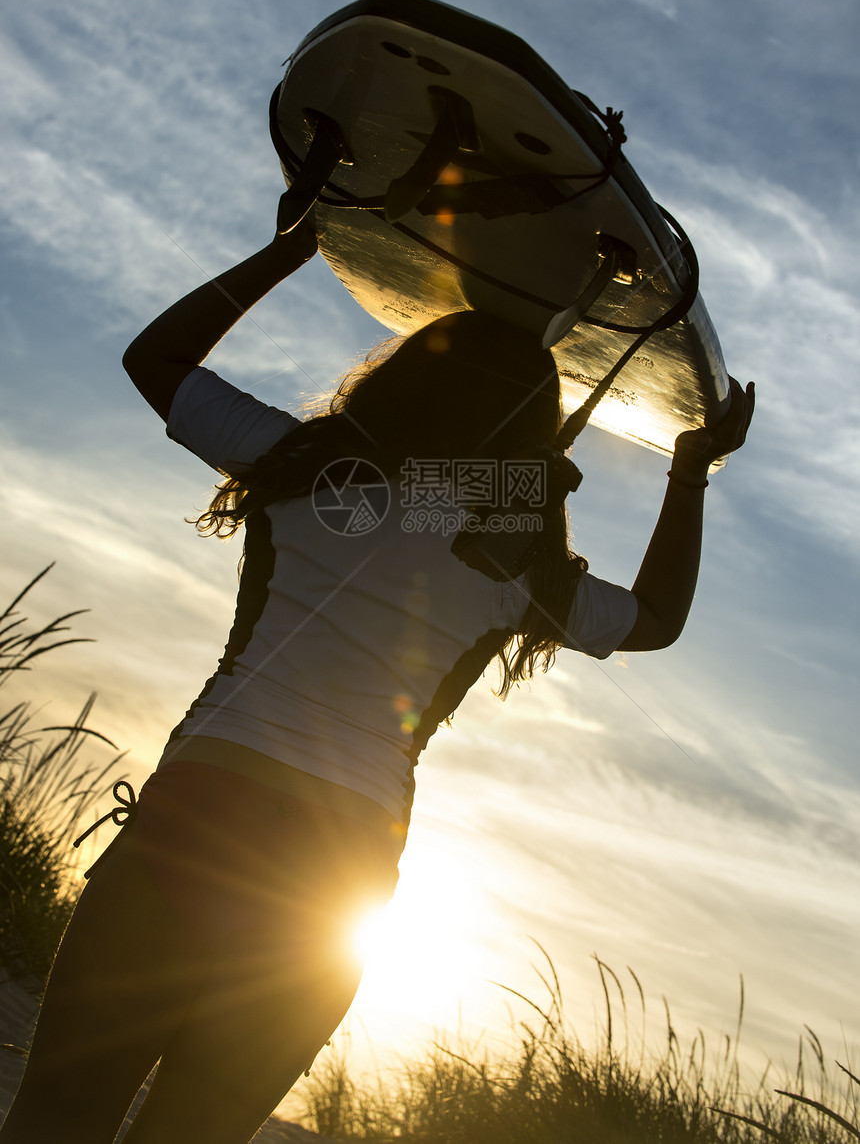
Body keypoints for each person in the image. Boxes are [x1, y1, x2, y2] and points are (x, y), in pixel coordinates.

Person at [0, 201, 753, 1144]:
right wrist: (689, 473)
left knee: (56, 1121)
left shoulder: (305, 466)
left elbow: (155, 364)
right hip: (333, 881)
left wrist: (290, 251)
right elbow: (655, 620)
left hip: (199, 820)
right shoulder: (516, 561)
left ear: (400, 378)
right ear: (530, 438)